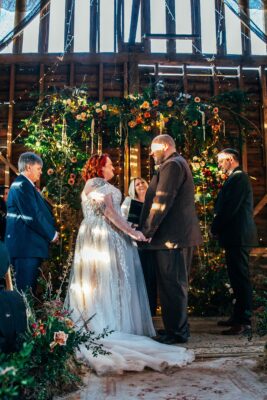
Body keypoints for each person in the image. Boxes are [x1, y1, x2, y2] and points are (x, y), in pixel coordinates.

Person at [65, 153, 194, 375]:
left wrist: (131, 229)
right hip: (101, 237)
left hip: (107, 235)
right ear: (99, 168)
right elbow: (108, 212)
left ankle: (117, 322)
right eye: (110, 164)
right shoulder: (95, 182)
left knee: (111, 281)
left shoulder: (102, 184)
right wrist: (132, 231)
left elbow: (115, 213)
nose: (114, 167)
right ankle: (108, 324)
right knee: (103, 280)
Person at [140, 134, 202, 345]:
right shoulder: (175, 163)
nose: (150, 153)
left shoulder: (173, 165)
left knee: (173, 285)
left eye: (153, 148)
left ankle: (177, 333)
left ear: (165, 146)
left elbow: (162, 200)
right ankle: (175, 328)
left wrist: (147, 232)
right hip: (173, 238)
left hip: (172, 238)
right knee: (171, 285)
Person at [211, 148, 258, 335]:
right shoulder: (235, 177)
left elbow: (230, 208)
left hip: (238, 235)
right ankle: (238, 316)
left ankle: (244, 321)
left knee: (240, 278)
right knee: (236, 277)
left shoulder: (239, 178)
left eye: (221, 161)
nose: (219, 165)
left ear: (230, 159)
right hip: (234, 236)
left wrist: (215, 227)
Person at [5, 152, 58, 293]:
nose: (41, 172)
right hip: (25, 249)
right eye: (39, 168)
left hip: (28, 248)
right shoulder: (22, 185)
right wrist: (51, 234)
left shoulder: (25, 185)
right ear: (29, 167)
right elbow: (32, 216)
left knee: (28, 292)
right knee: (25, 294)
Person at [121, 177, 158, 316]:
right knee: (138, 276)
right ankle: (138, 311)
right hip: (135, 244)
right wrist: (132, 227)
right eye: (137, 184)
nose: (141, 185)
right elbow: (121, 219)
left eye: (143, 182)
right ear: (133, 188)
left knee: (151, 277)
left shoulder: (154, 201)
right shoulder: (129, 201)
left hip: (152, 243)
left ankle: (151, 310)